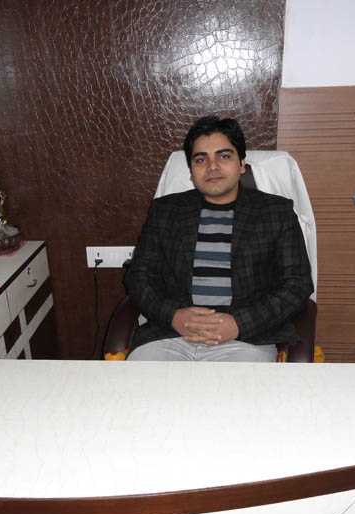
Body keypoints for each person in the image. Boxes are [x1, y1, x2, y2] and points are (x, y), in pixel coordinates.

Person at [124, 116, 314, 362]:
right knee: (140, 385)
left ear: (242, 163)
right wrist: (174, 316)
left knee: (235, 388)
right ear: (191, 171)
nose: (212, 167)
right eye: (200, 159)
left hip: (245, 339)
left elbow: (297, 284)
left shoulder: (276, 212)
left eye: (224, 156)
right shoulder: (166, 211)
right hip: (170, 334)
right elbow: (139, 276)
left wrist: (238, 323)